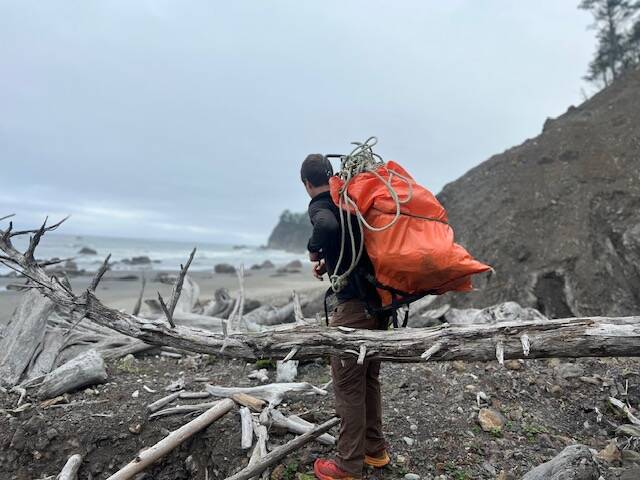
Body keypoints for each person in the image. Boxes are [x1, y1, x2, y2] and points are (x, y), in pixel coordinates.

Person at [300, 153, 390, 480]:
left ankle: (347, 466)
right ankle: (375, 450)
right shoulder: (349, 201)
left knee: (348, 385)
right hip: (378, 306)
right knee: (368, 380)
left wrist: (313, 249)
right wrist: (330, 259)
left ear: (306, 183)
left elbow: (325, 225)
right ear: (331, 176)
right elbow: (351, 243)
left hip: (353, 310)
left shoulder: (321, 204)